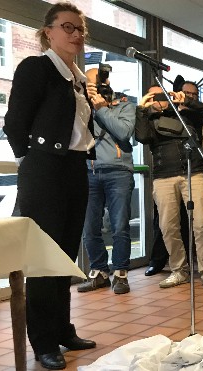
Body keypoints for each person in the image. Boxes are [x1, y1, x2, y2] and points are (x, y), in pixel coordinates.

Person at [3, 2, 97, 368]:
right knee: (44, 258)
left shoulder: (76, 76)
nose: (76, 35)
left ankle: (62, 330)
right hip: (45, 171)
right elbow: (14, 123)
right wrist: (32, 162)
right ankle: (43, 342)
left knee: (65, 253)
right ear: (48, 32)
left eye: (80, 29)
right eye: (68, 28)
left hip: (74, 167)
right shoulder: (37, 67)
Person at [135, 84, 203, 291]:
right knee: (168, 226)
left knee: (201, 223)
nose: (158, 99)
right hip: (163, 176)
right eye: (153, 96)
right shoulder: (149, 118)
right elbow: (142, 137)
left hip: (194, 172)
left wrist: (187, 101)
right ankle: (179, 270)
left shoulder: (186, 114)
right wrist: (142, 110)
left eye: (161, 95)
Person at [77, 67, 136, 295]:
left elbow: (123, 132)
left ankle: (120, 274)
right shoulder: (81, 107)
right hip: (89, 172)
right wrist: (86, 104)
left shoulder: (124, 105)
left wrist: (101, 107)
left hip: (118, 172)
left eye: (95, 84)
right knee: (90, 227)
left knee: (120, 226)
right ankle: (99, 272)